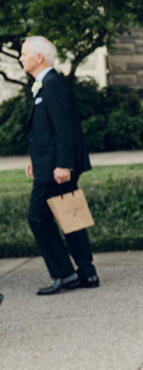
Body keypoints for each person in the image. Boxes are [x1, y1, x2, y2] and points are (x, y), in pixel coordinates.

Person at [20, 36, 98, 296]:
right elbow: (48, 129)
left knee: (38, 217)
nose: (21, 58)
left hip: (56, 167)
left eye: (24, 54)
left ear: (39, 57)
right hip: (48, 164)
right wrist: (34, 158)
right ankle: (87, 272)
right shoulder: (45, 84)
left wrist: (64, 165)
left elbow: (66, 128)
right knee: (69, 215)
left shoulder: (52, 84)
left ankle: (65, 274)